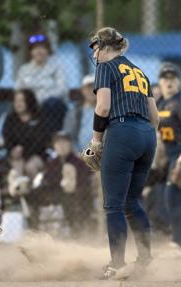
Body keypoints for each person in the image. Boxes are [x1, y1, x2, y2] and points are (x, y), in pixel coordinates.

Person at [82, 27, 159, 279]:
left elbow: (103, 107)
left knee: (113, 205)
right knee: (131, 202)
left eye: (96, 48)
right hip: (148, 137)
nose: (95, 54)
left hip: (122, 131)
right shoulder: (139, 71)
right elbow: (154, 117)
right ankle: (145, 260)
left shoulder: (106, 67)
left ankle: (116, 264)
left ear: (105, 47)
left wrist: (96, 141)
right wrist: (143, 137)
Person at [16, 33, 68, 134]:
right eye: (35, 49)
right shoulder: (24, 69)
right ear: (31, 52)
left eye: (42, 48)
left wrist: (40, 99)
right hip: (31, 106)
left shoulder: (57, 67)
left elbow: (62, 89)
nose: (39, 51)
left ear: (48, 50)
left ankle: (51, 140)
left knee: (51, 103)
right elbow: (19, 89)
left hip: (52, 107)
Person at [156, 62, 181, 248]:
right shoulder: (160, 103)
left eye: (173, 78)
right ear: (160, 82)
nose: (169, 81)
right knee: (171, 196)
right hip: (170, 155)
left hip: (179, 154)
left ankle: (177, 240)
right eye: (165, 78)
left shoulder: (179, 102)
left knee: (172, 195)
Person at [3, 89, 49, 187]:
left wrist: (24, 151)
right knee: (18, 166)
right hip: (16, 156)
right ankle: (22, 194)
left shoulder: (39, 118)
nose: (18, 104)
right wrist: (12, 150)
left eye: (21, 101)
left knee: (30, 167)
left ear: (29, 101)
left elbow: (40, 141)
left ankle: (38, 194)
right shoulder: (10, 119)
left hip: (37, 155)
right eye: (16, 101)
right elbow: (7, 139)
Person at [63, 74, 96, 151]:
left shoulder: (108, 111)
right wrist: (77, 153)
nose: (91, 91)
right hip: (79, 155)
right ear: (82, 91)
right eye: (88, 88)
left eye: (94, 88)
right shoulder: (74, 113)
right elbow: (68, 136)